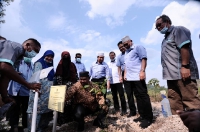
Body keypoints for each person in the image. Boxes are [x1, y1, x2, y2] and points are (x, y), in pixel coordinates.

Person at [155, 14, 200, 114]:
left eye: (159, 24)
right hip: (171, 76)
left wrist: (185, 66)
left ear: (167, 22)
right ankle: (178, 125)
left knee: (190, 100)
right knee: (174, 102)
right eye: (156, 27)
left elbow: (184, 47)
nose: (158, 28)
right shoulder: (165, 39)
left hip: (182, 73)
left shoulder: (178, 30)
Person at [122, 36, 153, 128]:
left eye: (126, 44)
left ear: (131, 41)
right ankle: (142, 115)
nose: (125, 46)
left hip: (138, 76)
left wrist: (142, 71)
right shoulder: (127, 53)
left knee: (143, 96)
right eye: (124, 45)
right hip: (131, 78)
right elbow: (127, 65)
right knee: (138, 97)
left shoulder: (138, 47)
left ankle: (148, 118)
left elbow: (144, 59)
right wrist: (125, 75)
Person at [0, 38, 41, 104]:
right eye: (35, 50)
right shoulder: (17, 47)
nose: (35, 54)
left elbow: (6, 76)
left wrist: (4, 96)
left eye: (37, 52)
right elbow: (4, 67)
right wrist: (28, 85)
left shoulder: (18, 59)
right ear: (27, 45)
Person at [27, 50, 55, 132]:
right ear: (44, 56)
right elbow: (36, 76)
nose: (49, 58)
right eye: (48, 56)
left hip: (47, 94)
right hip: (38, 92)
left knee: (44, 112)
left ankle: (40, 129)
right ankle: (32, 129)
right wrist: (36, 90)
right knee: (35, 110)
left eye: (51, 57)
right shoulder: (39, 63)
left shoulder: (50, 66)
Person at [7, 58, 33, 132]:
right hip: (15, 89)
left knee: (26, 109)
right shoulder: (16, 62)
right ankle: (14, 126)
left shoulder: (32, 64)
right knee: (14, 108)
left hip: (26, 91)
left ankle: (25, 126)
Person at [55, 51, 78, 125]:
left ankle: (70, 118)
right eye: (64, 55)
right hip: (62, 86)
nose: (65, 57)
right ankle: (61, 120)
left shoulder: (72, 65)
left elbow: (75, 75)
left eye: (67, 55)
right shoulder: (60, 64)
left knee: (70, 102)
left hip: (72, 85)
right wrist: (60, 86)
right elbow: (58, 76)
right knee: (62, 103)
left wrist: (76, 85)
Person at [116, 41, 137, 117]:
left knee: (137, 92)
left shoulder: (131, 52)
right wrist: (120, 77)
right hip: (124, 75)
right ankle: (132, 111)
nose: (121, 48)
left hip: (134, 73)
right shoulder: (119, 57)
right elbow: (118, 67)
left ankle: (141, 110)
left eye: (122, 46)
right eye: (120, 48)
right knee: (129, 93)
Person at [107, 51, 127, 116]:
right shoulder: (108, 64)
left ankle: (124, 110)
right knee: (114, 96)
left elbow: (121, 70)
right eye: (110, 55)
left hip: (118, 81)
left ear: (115, 55)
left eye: (113, 55)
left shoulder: (118, 62)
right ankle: (117, 110)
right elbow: (108, 74)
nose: (112, 56)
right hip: (112, 82)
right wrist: (108, 82)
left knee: (122, 96)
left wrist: (122, 78)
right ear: (109, 56)